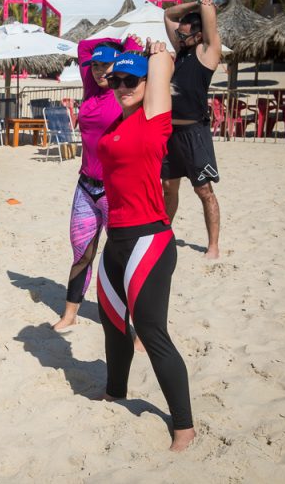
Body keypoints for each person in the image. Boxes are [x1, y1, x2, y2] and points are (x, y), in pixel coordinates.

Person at [96, 44, 195, 451]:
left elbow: (162, 66)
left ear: (147, 84)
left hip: (149, 239)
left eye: (130, 80)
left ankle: (184, 426)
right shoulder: (115, 123)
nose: (121, 86)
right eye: (115, 79)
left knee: (152, 333)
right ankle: (115, 392)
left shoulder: (154, 120)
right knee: (113, 325)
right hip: (115, 239)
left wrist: (155, 53)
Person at [52, 35, 142, 333]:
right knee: (81, 252)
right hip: (85, 187)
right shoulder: (91, 88)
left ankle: (132, 323)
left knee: (123, 258)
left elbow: (138, 66)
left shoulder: (124, 92)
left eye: (107, 65)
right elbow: (83, 48)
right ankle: (70, 314)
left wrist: (128, 45)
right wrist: (114, 40)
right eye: (97, 64)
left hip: (116, 190)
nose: (100, 70)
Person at [162, 0, 222, 259]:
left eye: (184, 35)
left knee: (204, 191)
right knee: (168, 187)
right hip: (170, 133)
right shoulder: (182, 52)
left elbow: (209, 14)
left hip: (194, 133)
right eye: (178, 34)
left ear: (198, 36)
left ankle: (213, 246)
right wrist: (191, 5)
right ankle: (165, 233)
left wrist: (203, 6)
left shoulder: (206, 52)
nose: (178, 37)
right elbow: (168, 14)